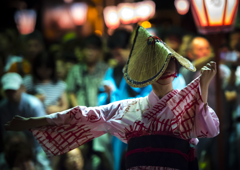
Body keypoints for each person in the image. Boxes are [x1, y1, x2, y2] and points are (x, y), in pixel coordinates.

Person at [5, 26, 219, 170]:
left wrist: (203, 92)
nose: (164, 76)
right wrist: (32, 122)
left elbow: (211, 129)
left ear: (176, 74)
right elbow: (83, 114)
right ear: (147, 76)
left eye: (168, 71)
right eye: (157, 72)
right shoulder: (129, 108)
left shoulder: (185, 104)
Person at [0, 73, 51, 169]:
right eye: (8, 91)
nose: (11, 94)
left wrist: (31, 153)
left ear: (22, 88)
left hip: (35, 146)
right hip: (14, 147)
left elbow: (41, 133)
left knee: (42, 163)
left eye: (13, 90)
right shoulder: (2, 107)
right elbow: (6, 134)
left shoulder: (33, 105)